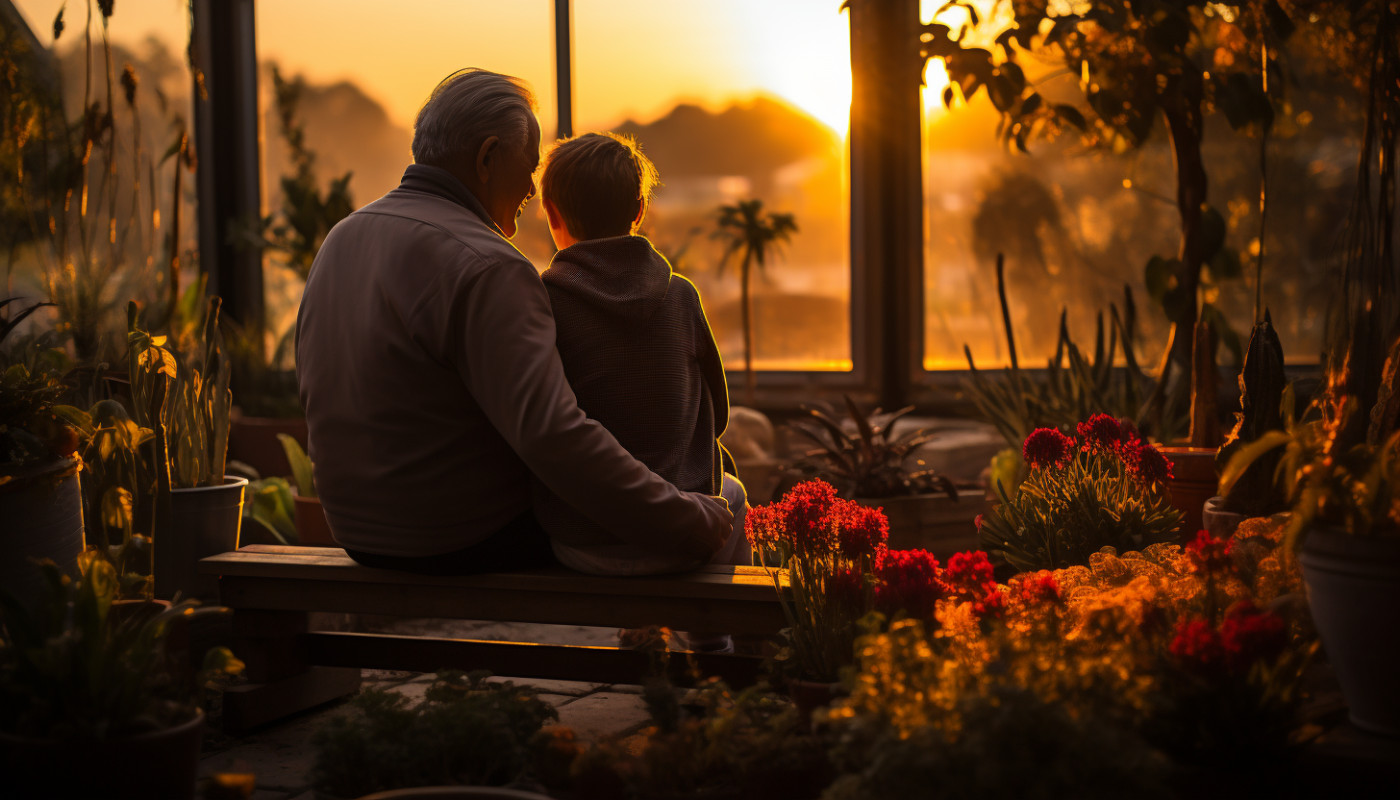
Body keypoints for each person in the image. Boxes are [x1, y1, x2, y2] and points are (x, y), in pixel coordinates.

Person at [295, 69, 732, 575]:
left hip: (354, 530)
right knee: (709, 503)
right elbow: (555, 439)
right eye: (527, 167)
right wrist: (684, 518)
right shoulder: (489, 265)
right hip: (457, 537)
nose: (531, 188)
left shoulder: (343, 237)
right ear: (486, 158)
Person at [535, 132, 750, 578]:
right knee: (734, 494)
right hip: (687, 535)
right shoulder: (680, 297)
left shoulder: (544, 304)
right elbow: (720, 414)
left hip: (584, 541)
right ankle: (718, 638)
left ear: (550, 212)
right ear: (639, 210)